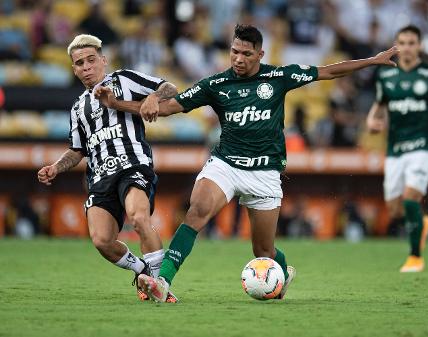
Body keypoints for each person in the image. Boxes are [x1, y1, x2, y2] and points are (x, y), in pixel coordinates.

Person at [96, 24, 398, 302]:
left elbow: (328, 72)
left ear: (260, 54)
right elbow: (167, 108)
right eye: (234, 51)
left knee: (263, 251)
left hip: (264, 172)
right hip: (225, 164)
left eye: (246, 53)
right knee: (197, 211)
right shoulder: (215, 84)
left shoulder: (278, 77)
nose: (238, 58)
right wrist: (116, 104)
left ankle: (281, 271)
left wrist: (372, 61)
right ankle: (163, 281)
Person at [37, 34, 179, 302]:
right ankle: (142, 270)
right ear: (74, 69)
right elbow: (78, 149)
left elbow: (169, 87)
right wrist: (56, 166)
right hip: (100, 176)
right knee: (102, 240)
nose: (86, 66)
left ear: (103, 60)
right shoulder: (78, 107)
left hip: (133, 164)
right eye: (80, 63)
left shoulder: (123, 79)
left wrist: (152, 98)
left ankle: (161, 285)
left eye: (91, 60)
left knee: (138, 218)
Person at [366, 25, 428, 272]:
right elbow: (379, 107)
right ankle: (421, 223)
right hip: (395, 148)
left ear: (420, 46)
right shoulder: (386, 76)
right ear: (396, 45)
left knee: (411, 197)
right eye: (402, 42)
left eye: (412, 42)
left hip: (423, 144)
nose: (407, 47)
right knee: (395, 210)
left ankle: (415, 257)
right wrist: (372, 120)